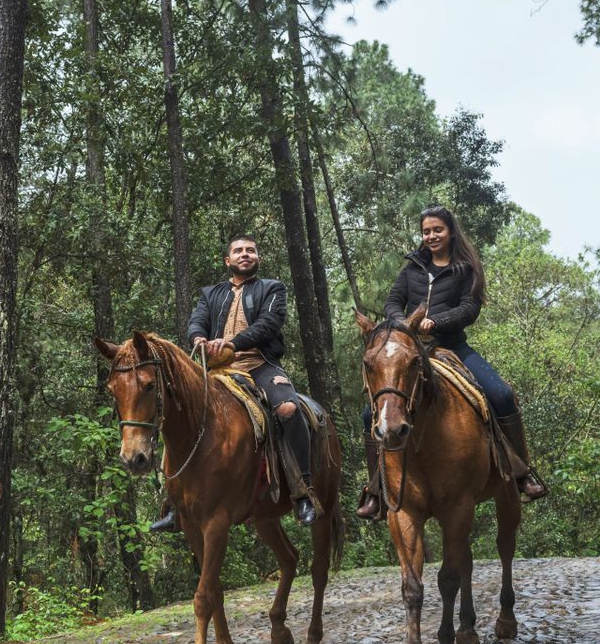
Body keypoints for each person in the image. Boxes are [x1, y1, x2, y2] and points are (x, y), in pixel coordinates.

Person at [355, 206, 548, 520]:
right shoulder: (413, 267)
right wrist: (403, 324)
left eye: (437, 230)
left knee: (500, 394)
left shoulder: (465, 267)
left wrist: (436, 321)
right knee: (369, 413)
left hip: (452, 346)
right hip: (409, 350)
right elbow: (393, 301)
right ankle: (376, 488)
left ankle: (521, 471)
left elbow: (470, 308)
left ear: (450, 232)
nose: (431, 236)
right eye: (426, 231)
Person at [149, 235, 320, 532]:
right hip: (218, 370)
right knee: (179, 412)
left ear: (258, 258)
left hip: (259, 366)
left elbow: (269, 324)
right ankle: (174, 503)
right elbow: (196, 321)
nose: (245, 254)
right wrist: (197, 338)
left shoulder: (273, 289)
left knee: (289, 409)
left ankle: (302, 490)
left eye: (250, 251)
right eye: (238, 251)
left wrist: (230, 342)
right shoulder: (210, 293)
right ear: (227, 260)